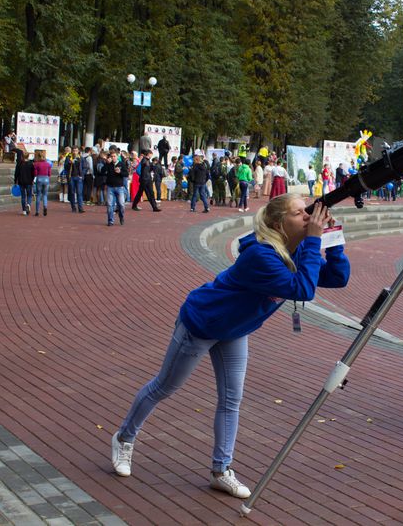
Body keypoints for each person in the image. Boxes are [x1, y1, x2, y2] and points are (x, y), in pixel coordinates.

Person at [110, 195, 350, 498]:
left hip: (235, 330)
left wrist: (332, 239)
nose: (307, 217)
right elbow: (303, 289)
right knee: (165, 387)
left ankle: (221, 470)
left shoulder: (299, 249)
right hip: (202, 324)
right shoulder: (261, 256)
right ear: (279, 223)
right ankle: (124, 437)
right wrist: (315, 239)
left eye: (307, 212)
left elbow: (338, 277)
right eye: (299, 213)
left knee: (231, 399)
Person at [104, 151, 127, 226]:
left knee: (121, 204)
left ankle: (121, 217)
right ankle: (110, 221)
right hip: (110, 187)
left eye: (114, 156)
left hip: (119, 187)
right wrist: (106, 163)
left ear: (117, 156)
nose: (113, 158)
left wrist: (120, 172)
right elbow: (102, 171)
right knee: (110, 205)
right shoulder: (109, 164)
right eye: (112, 156)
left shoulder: (121, 164)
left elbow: (126, 174)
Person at [14, 151, 35, 216]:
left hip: (21, 181)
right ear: (28, 156)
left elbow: (16, 173)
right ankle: (28, 204)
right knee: (29, 195)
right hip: (29, 181)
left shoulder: (19, 164)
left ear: (22, 156)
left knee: (23, 196)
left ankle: (24, 210)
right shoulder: (31, 164)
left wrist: (15, 181)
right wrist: (32, 180)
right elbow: (33, 173)